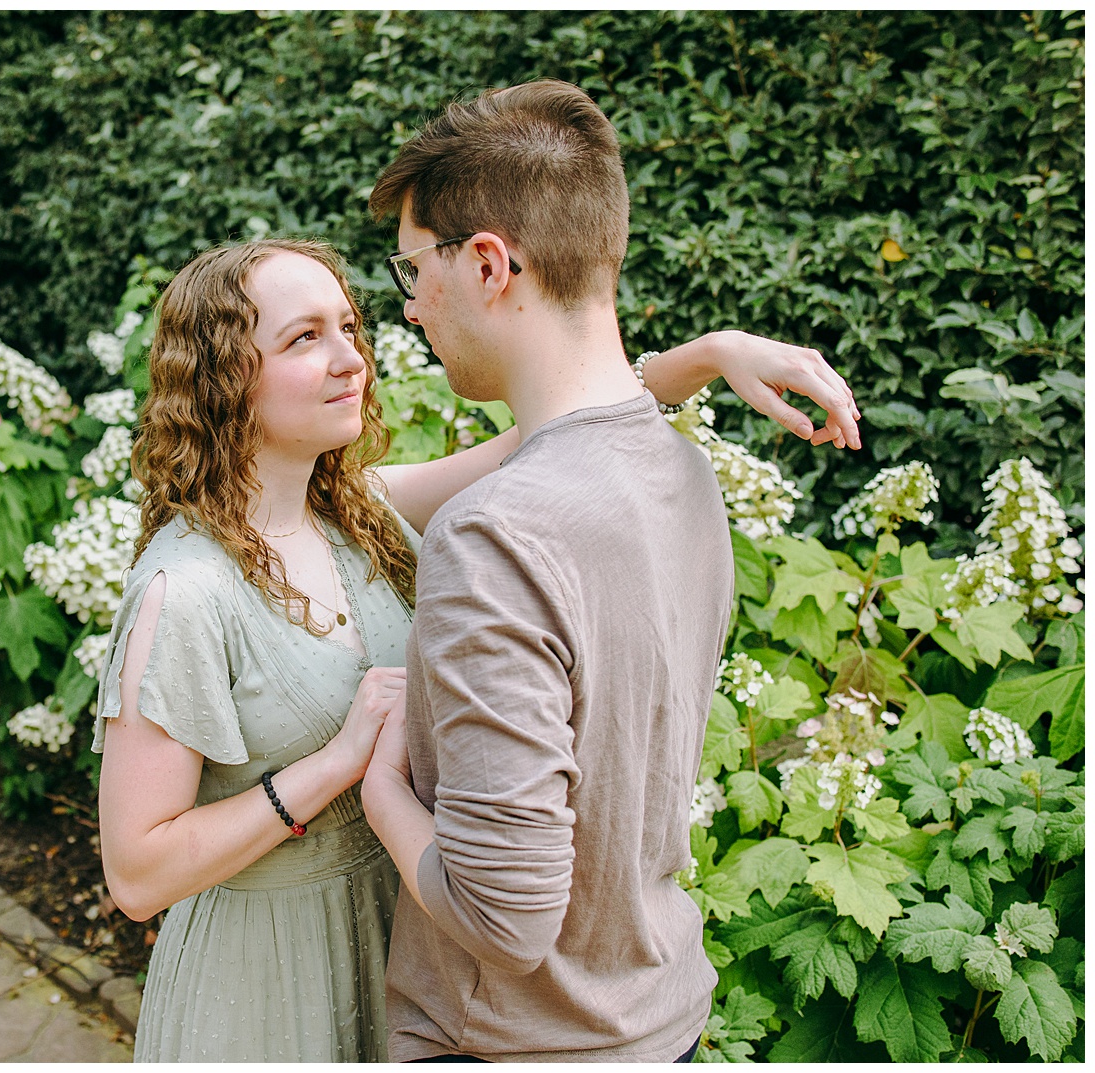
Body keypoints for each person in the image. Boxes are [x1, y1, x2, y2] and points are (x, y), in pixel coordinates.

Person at [91, 234, 858, 1061]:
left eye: (350, 328)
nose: (350, 358)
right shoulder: (187, 589)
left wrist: (711, 355)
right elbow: (138, 873)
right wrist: (338, 762)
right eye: (304, 337)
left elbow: (548, 431)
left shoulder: (360, 513)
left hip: (405, 949)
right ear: (220, 377)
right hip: (269, 981)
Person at [356, 80, 819, 1062]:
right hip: (656, 1024)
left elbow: (504, 915)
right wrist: (704, 353)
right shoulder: (681, 471)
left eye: (410, 273)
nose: (409, 311)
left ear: (486, 262)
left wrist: (379, 779)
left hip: (510, 1043)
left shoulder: (495, 532)